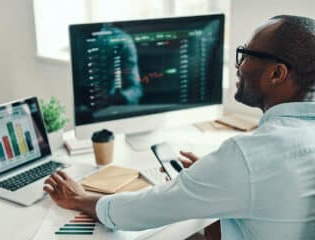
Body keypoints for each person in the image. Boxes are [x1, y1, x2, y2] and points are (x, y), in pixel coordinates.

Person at [44, 15, 315, 239]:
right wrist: (218, 176)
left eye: (245, 55)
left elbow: (142, 211)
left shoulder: (248, 158)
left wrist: (79, 198)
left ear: (277, 74)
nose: (238, 65)